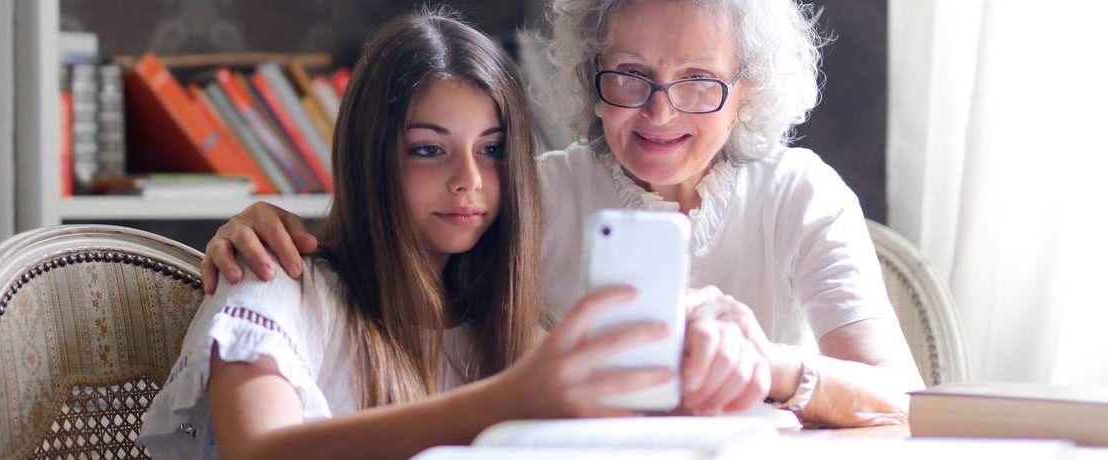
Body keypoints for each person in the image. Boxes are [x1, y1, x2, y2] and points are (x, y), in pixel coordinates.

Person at [202, 0, 923, 427]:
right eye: (631, 76)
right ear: (589, 75)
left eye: (699, 81)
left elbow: (903, 401)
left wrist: (771, 366)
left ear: (749, 92)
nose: (659, 111)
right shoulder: (528, 192)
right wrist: (259, 225)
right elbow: (393, 241)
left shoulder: (799, 191)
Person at [138, 10, 716, 459]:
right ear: (372, 157)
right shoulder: (273, 283)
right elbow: (258, 452)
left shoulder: (512, 326)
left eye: (490, 151)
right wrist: (507, 402)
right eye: (428, 150)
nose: (468, 181)